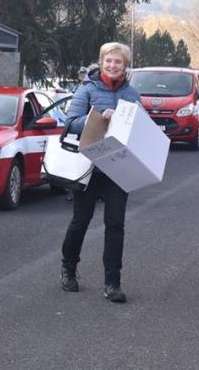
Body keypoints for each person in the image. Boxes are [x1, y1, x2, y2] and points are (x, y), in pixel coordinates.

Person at [59, 42, 141, 303]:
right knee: (81, 220)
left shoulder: (132, 94)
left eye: (118, 62)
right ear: (102, 62)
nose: (113, 65)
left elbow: (141, 127)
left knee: (115, 224)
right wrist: (98, 118)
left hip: (118, 165)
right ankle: (69, 270)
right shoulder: (87, 90)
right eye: (109, 61)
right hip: (89, 165)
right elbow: (70, 123)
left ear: (125, 66)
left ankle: (112, 282)